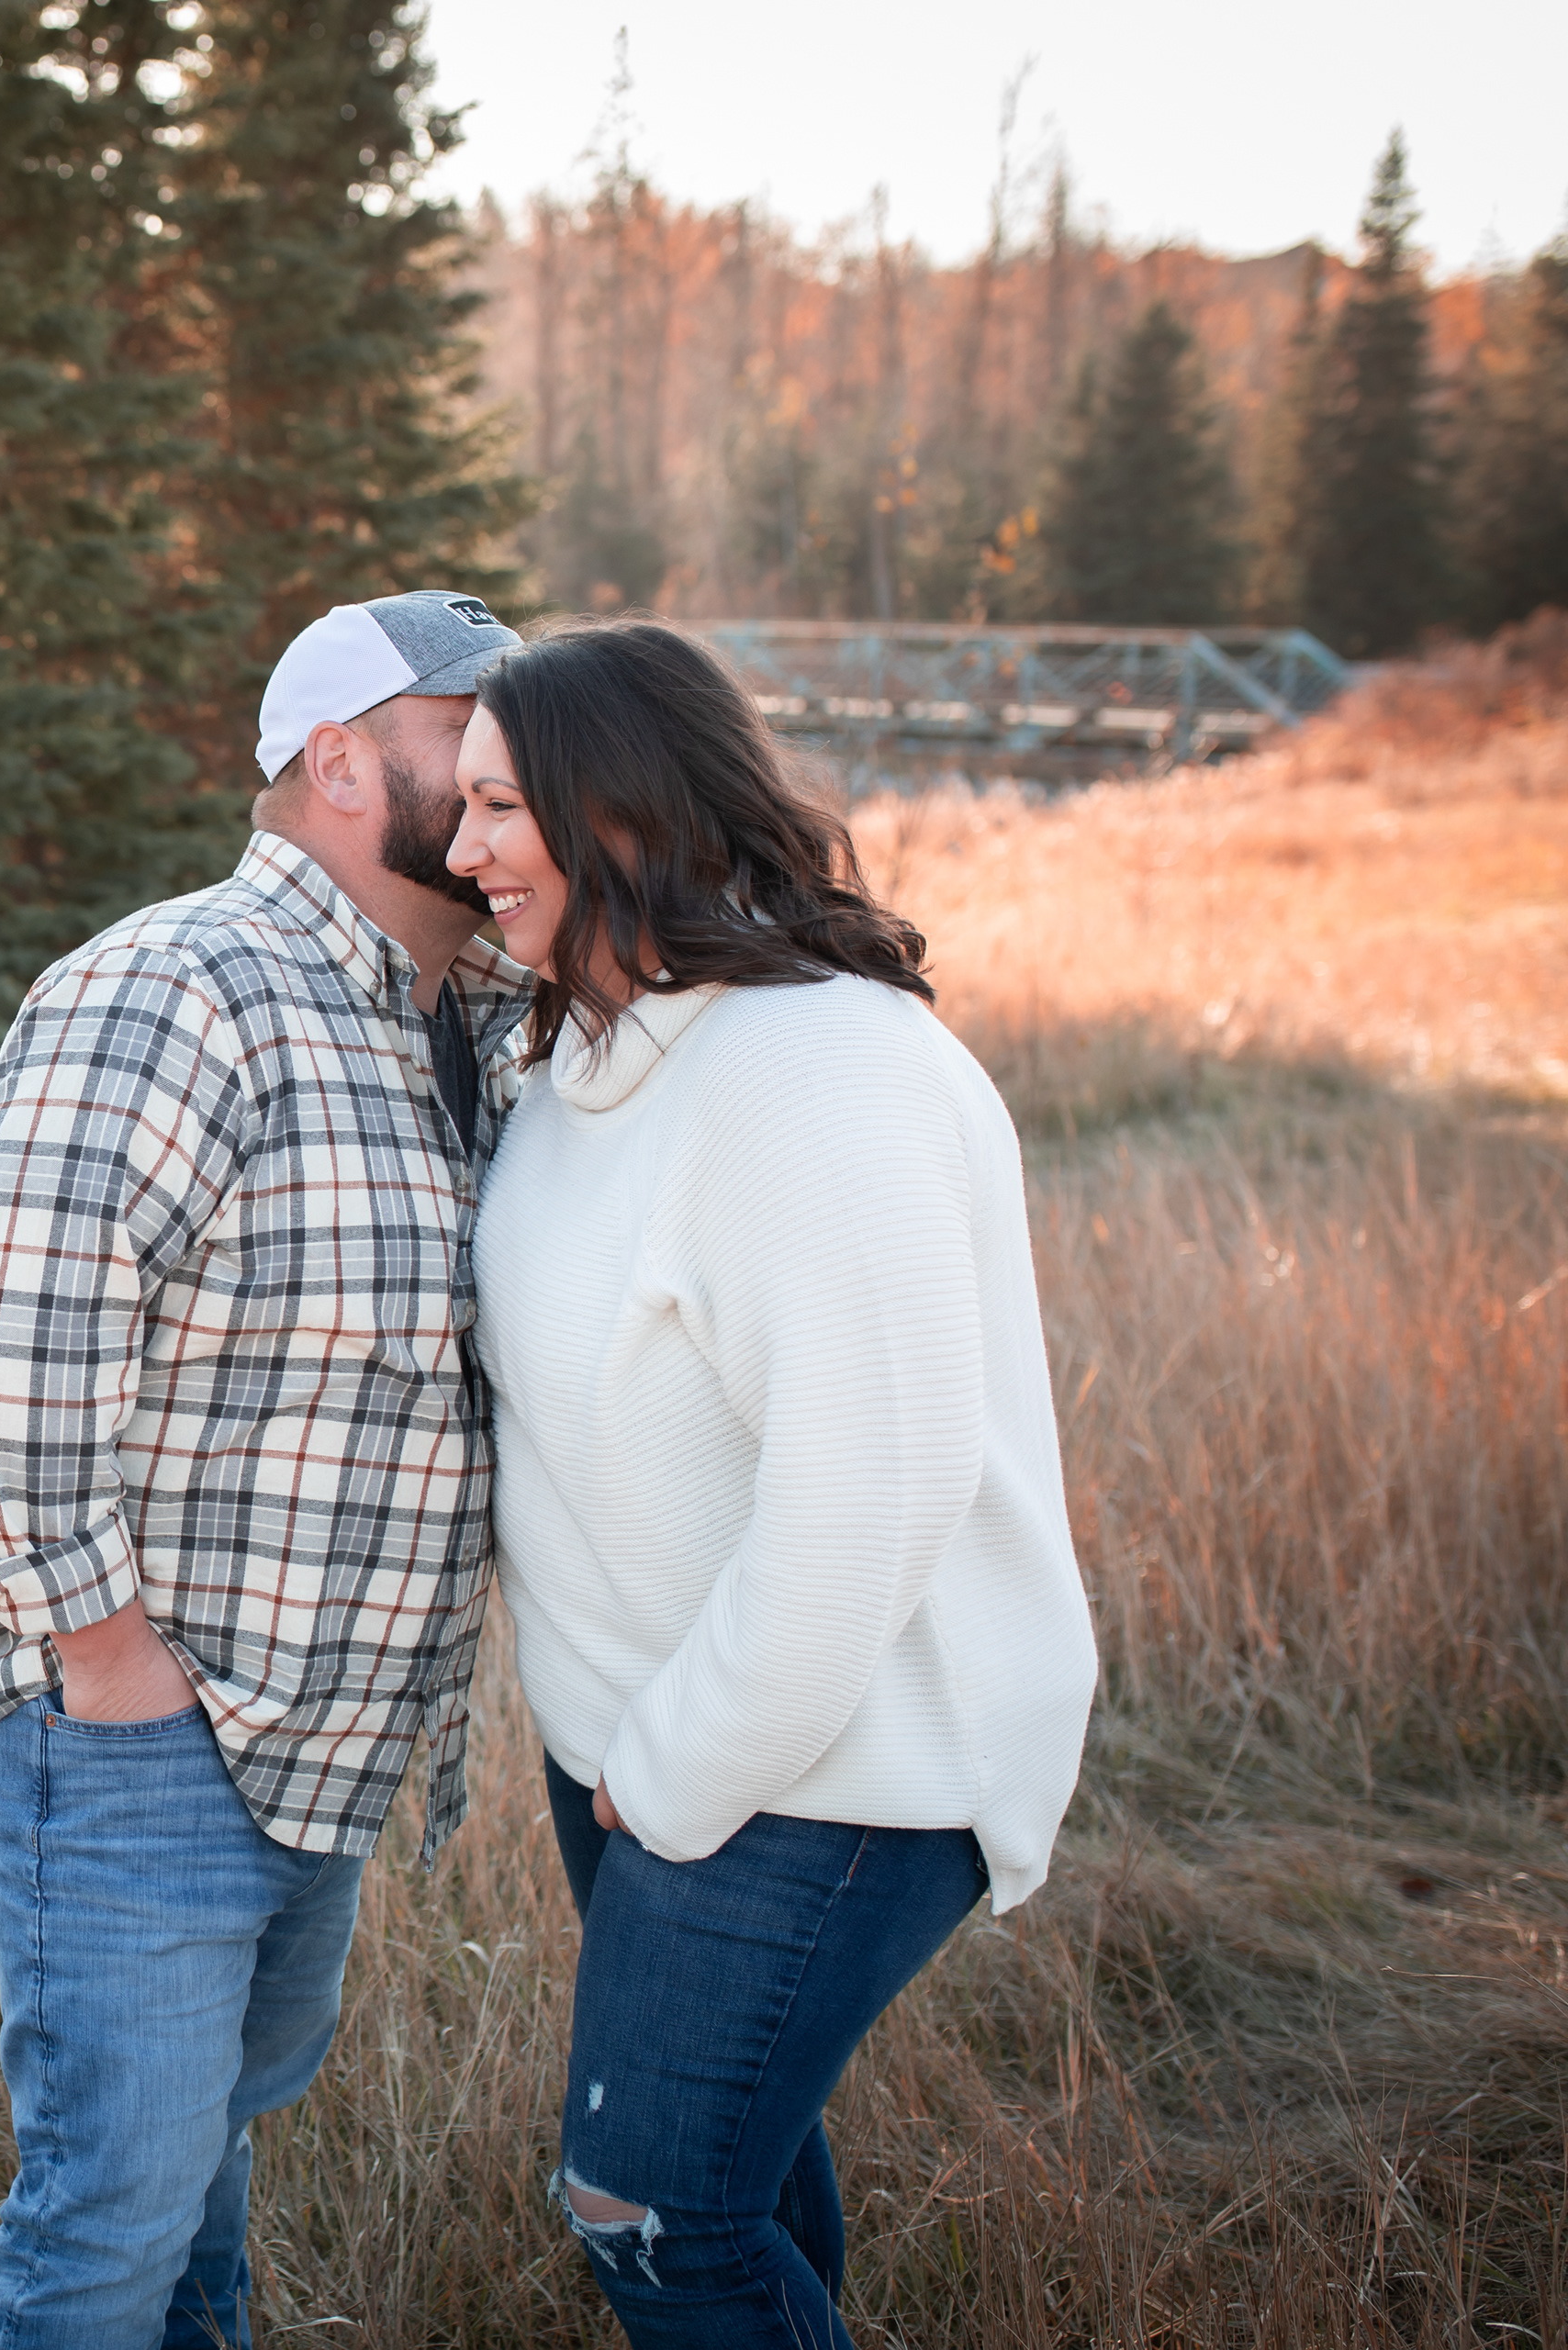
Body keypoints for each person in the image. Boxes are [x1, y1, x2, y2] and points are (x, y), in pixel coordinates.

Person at [444, 617, 1099, 2350]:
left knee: (650, 2209)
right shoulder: (593, 1046)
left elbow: (869, 1496)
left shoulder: (819, 1075)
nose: (465, 847)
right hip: (645, 1745)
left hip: (827, 1760)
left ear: (627, 808)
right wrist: (621, 1753)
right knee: (736, 2173)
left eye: (503, 806)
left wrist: (673, 1772)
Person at [0, 588, 534, 2348]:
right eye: (470, 735)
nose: (515, 767)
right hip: (139, 1731)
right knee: (111, 2223)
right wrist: (112, 1666)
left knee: (198, 2194)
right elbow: (5, 1357)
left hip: (315, 1741)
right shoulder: (174, 987)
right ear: (339, 764)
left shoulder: (477, 1012)